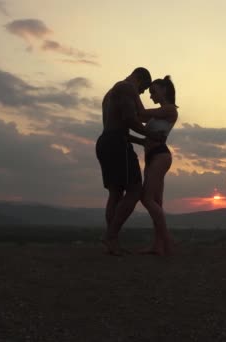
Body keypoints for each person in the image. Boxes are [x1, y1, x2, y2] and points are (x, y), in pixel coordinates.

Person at [95, 67, 163, 256]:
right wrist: (151, 133)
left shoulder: (109, 94)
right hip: (118, 145)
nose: (140, 94)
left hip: (106, 142)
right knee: (134, 190)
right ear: (140, 80)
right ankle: (110, 235)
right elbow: (131, 120)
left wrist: (141, 140)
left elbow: (117, 126)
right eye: (143, 91)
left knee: (115, 192)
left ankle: (112, 243)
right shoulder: (127, 88)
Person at [129, 76, 178, 256]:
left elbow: (141, 113)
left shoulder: (169, 110)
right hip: (151, 156)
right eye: (149, 92)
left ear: (164, 90)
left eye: (153, 92)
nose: (151, 95)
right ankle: (158, 246)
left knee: (146, 198)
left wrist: (133, 92)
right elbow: (144, 133)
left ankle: (167, 240)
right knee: (156, 202)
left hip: (160, 156)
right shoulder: (160, 112)